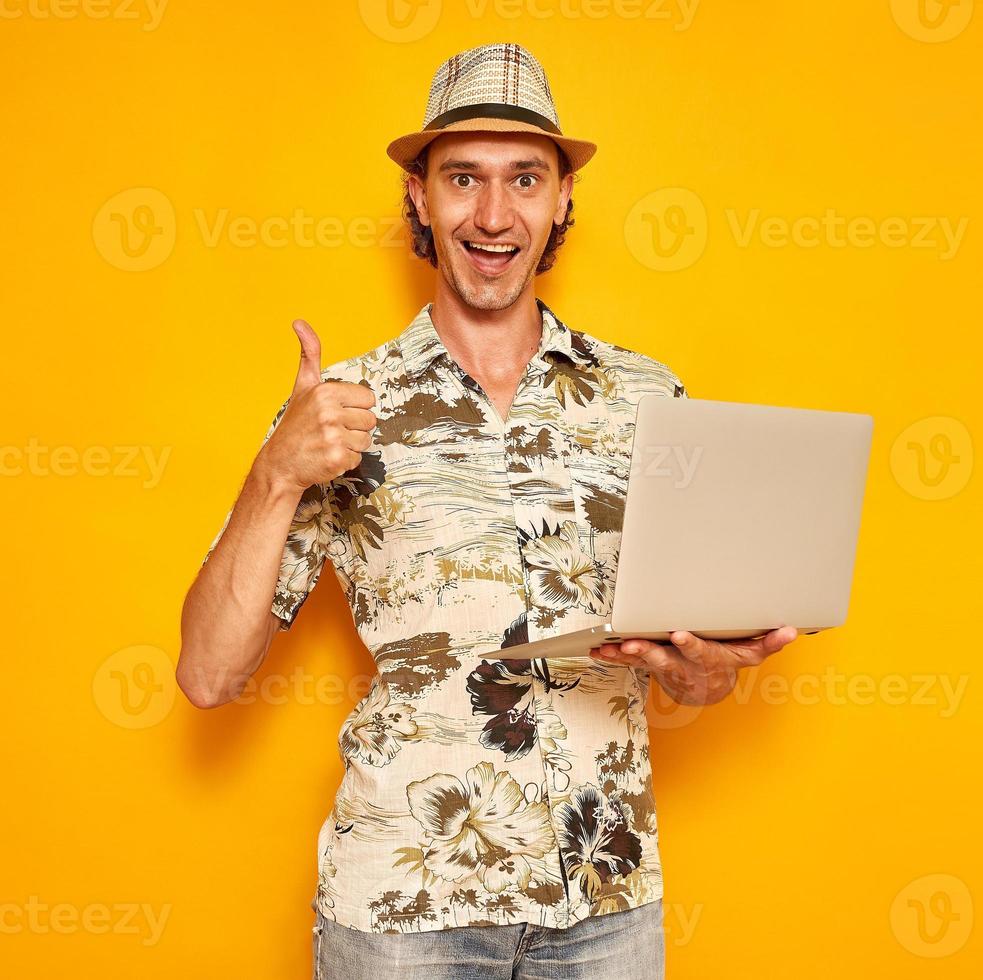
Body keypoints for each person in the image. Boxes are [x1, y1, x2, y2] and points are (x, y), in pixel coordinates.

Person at [177, 43, 797, 980]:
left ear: (561, 203)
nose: (495, 215)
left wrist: (708, 671)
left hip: (606, 903)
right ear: (419, 198)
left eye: (525, 179)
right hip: (402, 911)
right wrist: (274, 474)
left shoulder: (651, 400)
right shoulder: (338, 409)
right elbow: (208, 675)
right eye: (462, 177)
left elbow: (696, 678)